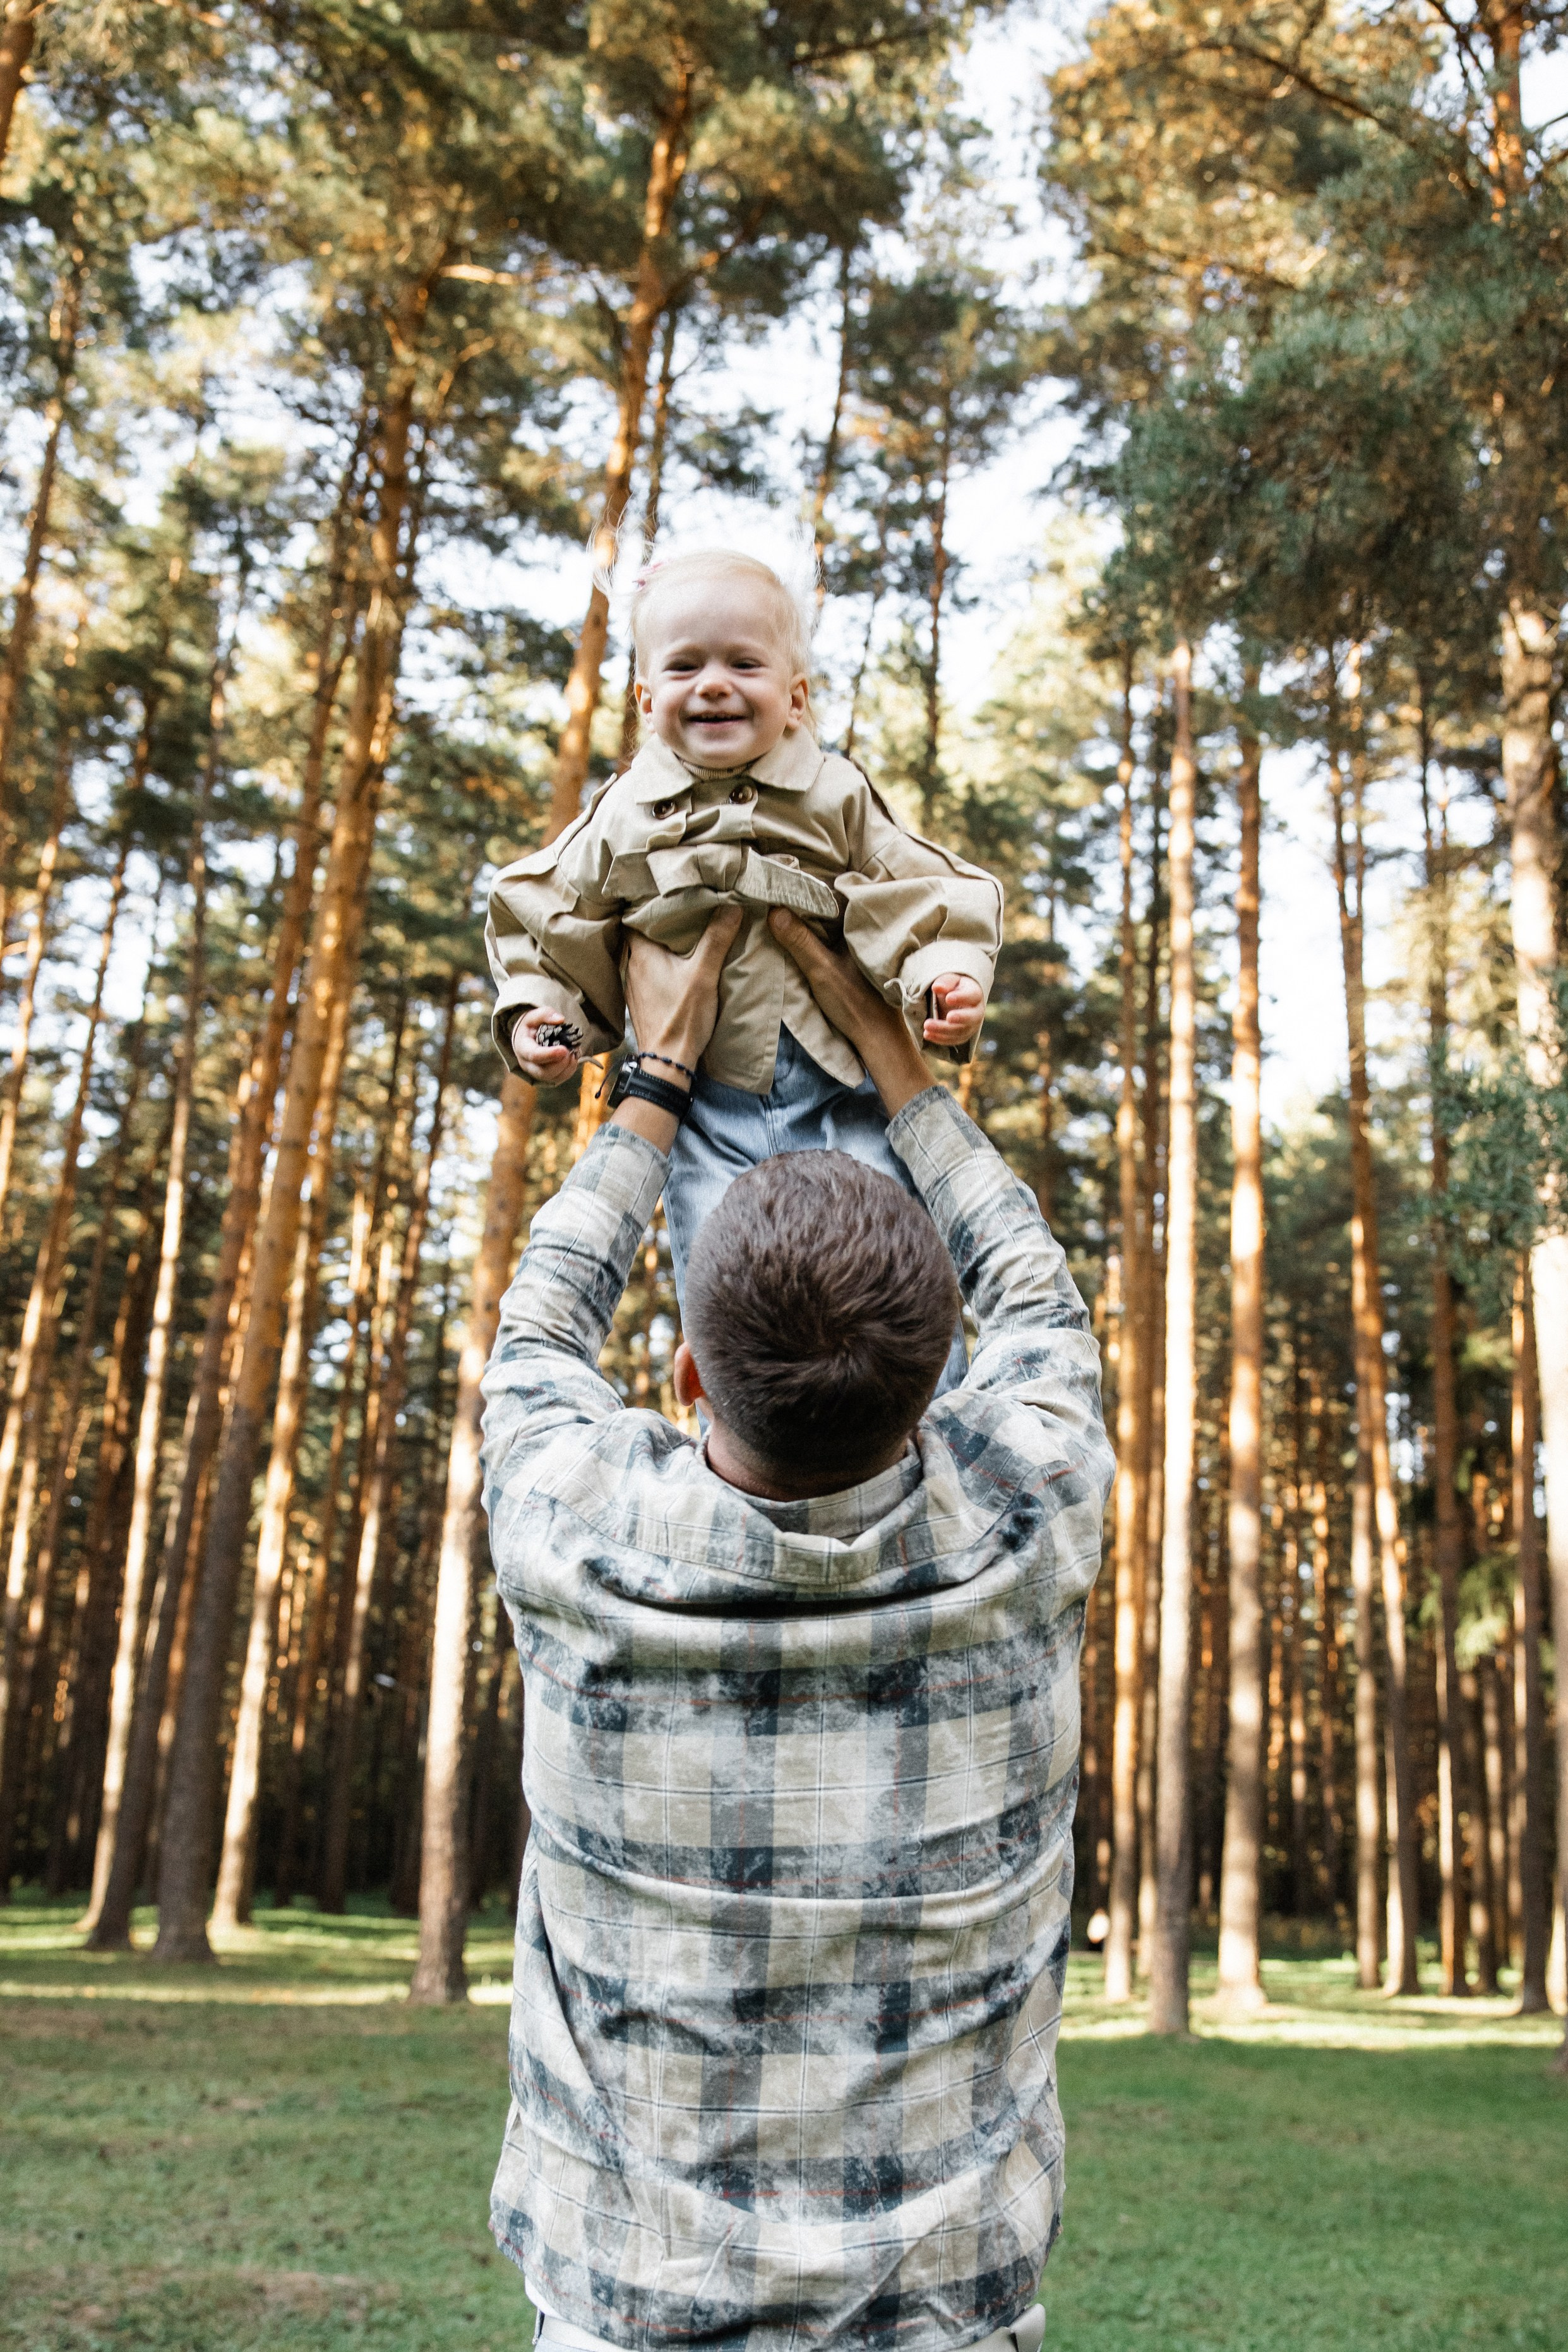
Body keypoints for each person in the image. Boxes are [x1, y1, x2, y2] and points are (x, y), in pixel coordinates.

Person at [480, 901, 1115, 2352]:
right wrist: (903, 1065)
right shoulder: (1027, 1519)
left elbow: (540, 1326)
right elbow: (1036, 1294)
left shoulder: (580, 1532)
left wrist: (653, 1079)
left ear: (690, 1377)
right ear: (934, 1385)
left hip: (632, 2317)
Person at [484, 545, 1003, 1366]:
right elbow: (546, 911)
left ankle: (925, 1410)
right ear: (644, 698)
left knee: (891, 1268)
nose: (714, 685)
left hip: (842, 1091)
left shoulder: (833, 793)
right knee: (723, 1280)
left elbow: (919, 886)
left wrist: (946, 975)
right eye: (685, 666)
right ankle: (735, 1413)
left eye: (743, 664)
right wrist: (541, 1016)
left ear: (795, 698)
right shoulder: (623, 812)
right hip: (706, 1109)